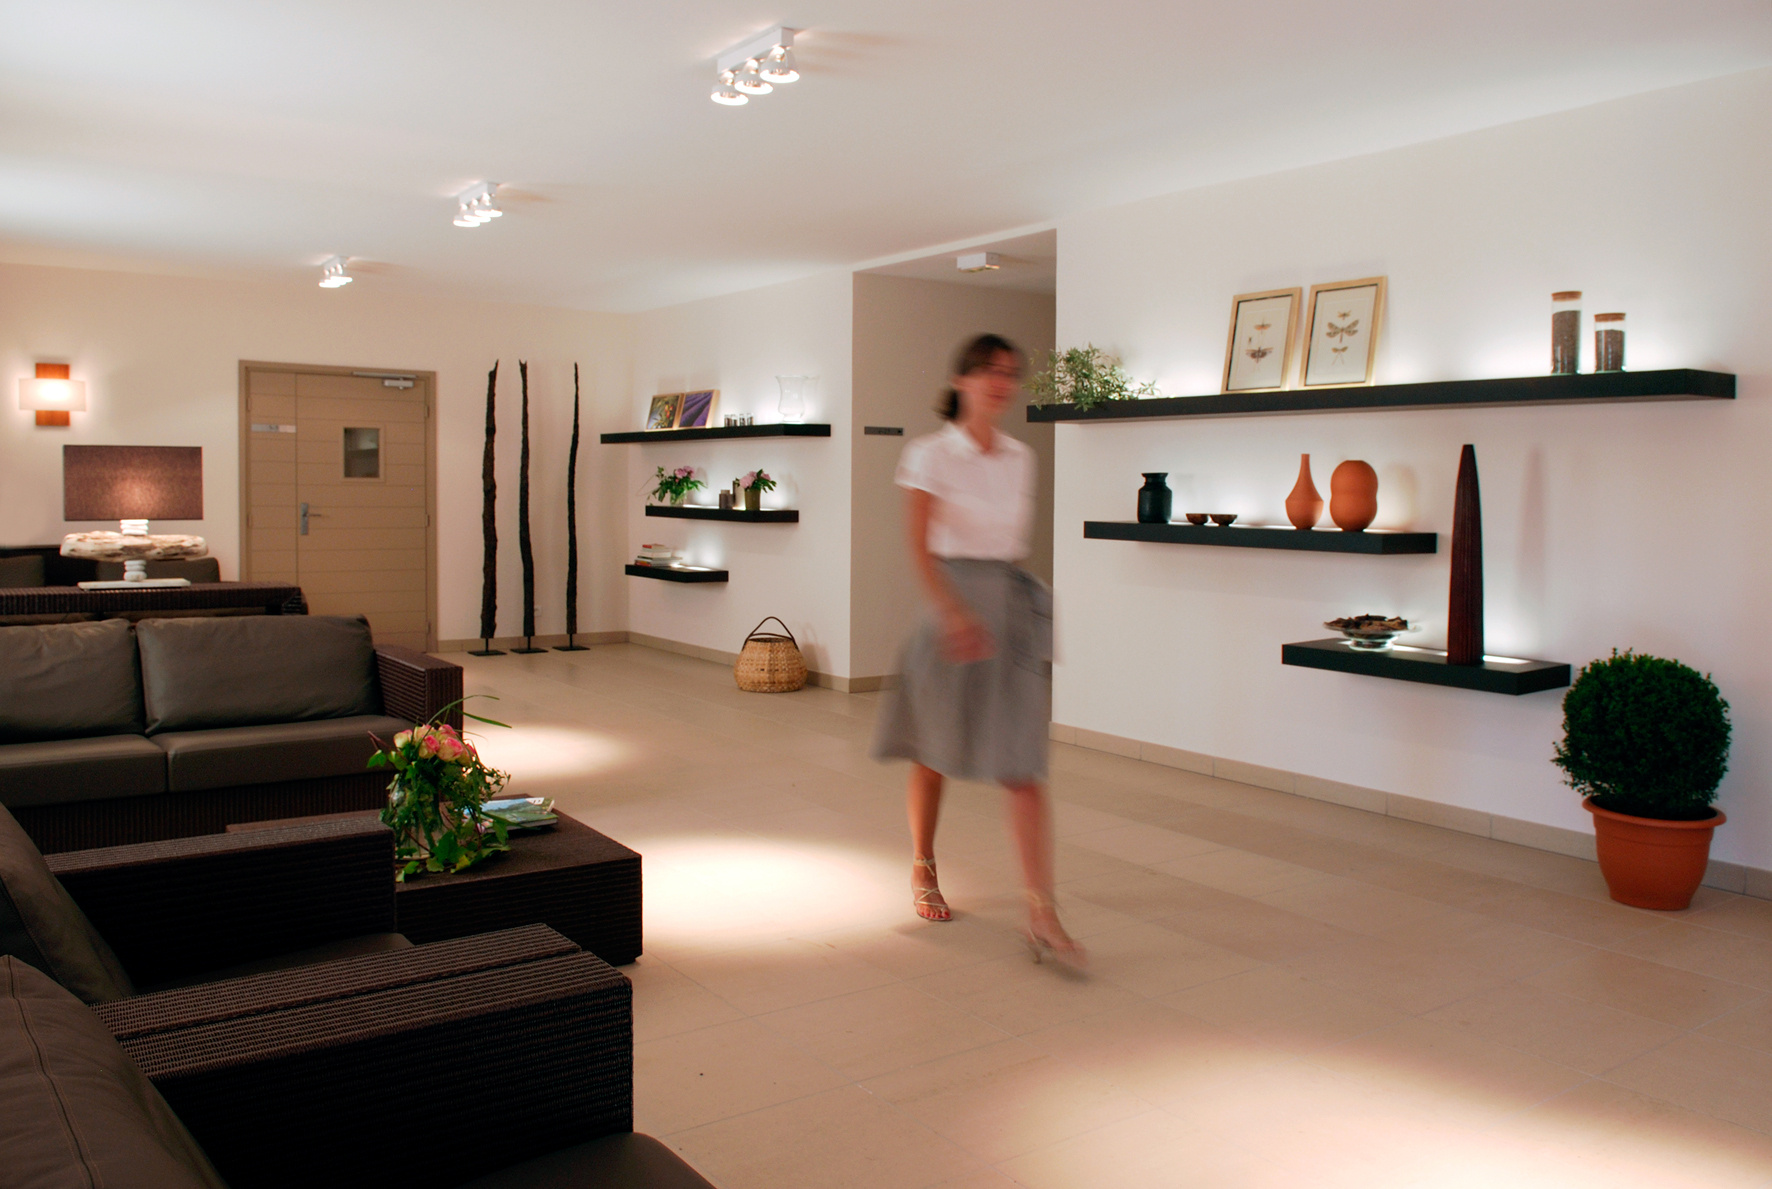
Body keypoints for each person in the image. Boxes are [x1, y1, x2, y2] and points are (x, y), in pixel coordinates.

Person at [871, 333, 1084, 968]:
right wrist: (954, 613)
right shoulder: (928, 454)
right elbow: (918, 546)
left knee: (1022, 763)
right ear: (962, 379)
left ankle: (1041, 911)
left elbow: (1011, 546)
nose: (1001, 383)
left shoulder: (1021, 457)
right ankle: (922, 863)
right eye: (990, 371)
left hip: (1009, 610)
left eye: (1010, 373)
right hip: (951, 609)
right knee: (933, 752)